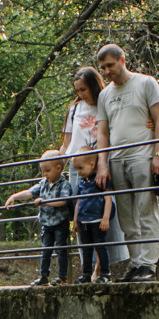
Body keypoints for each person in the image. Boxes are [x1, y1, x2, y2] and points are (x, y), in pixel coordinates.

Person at [95, 43, 159, 282]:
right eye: (103, 67)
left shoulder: (146, 83)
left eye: (110, 65)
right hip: (116, 159)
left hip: (142, 155)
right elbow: (103, 132)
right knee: (126, 216)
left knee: (146, 210)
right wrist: (102, 164)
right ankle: (136, 264)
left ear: (122, 60)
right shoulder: (105, 95)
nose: (107, 71)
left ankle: (149, 265)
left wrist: (158, 154)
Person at [58, 66, 128, 280]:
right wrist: (57, 165)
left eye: (84, 90)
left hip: (99, 164)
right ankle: (86, 268)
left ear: (94, 86)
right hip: (76, 166)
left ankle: (101, 267)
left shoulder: (105, 104)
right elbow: (66, 143)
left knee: (104, 214)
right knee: (82, 216)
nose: (80, 94)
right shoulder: (74, 110)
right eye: (77, 90)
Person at [3, 149, 75, 285]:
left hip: (60, 222)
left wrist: (44, 202)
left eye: (47, 170)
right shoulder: (43, 183)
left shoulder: (65, 185)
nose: (44, 174)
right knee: (45, 250)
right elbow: (30, 193)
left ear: (58, 169)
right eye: (43, 171)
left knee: (61, 249)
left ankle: (62, 276)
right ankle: (43, 276)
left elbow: (63, 201)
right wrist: (14, 196)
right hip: (46, 223)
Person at [70, 151, 113, 284]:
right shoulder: (82, 182)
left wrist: (105, 218)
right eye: (76, 169)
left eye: (81, 168)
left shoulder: (100, 180)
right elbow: (78, 201)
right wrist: (75, 220)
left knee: (100, 246)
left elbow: (108, 199)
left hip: (97, 220)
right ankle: (86, 274)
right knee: (86, 248)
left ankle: (105, 273)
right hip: (84, 221)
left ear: (92, 164)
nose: (78, 172)